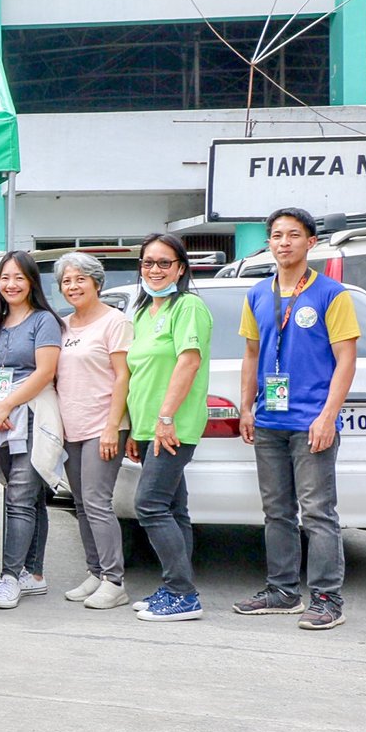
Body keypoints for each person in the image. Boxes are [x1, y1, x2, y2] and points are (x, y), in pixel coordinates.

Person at [234, 207, 361, 630]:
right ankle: (282, 591)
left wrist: (328, 416)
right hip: (270, 420)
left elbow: (346, 360)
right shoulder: (256, 294)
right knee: (276, 512)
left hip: (312, 424)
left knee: (319, 512)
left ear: (311, 243)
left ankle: (327, 598)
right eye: (276, 235)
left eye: (293, 235)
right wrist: (246, 406)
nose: (283, 242)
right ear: (268, 242)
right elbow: (251, 354)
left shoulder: (331, 293)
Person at [124, 233, 212, 623]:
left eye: (164, 263)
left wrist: (164, 419)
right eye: (148, 263)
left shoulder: (188, 307)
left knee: (150, 505)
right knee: (174, 509)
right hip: (147, 427)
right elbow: (138, 373)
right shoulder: (144, 312)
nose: (155, 270)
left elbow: (188, 363)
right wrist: (136, 430)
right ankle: (174, 584)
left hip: (172, 426)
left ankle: (183, 593)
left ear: (180, 267)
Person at [0, 251, 64, 611]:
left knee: (18, 497)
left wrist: (6, 405)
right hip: (1, 418)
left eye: (19, 277)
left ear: (32, 281)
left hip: (32, 415)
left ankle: (10, 577)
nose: (11, 284)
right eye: (5, 278)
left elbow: (44, 372)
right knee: (27, 496)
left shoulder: (44, 320)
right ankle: (34, 573)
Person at [55, 251, 133, 610]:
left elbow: (123, 376)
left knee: (98, 502)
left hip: (103, 426)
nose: (73, 286)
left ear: (97, 283)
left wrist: (112, 426)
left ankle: (114, 580)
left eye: (80, 279)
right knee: (82, 504)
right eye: (67, 281)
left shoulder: (114, 322)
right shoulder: (63, 324)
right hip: (70, 426)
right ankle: (95, 571)